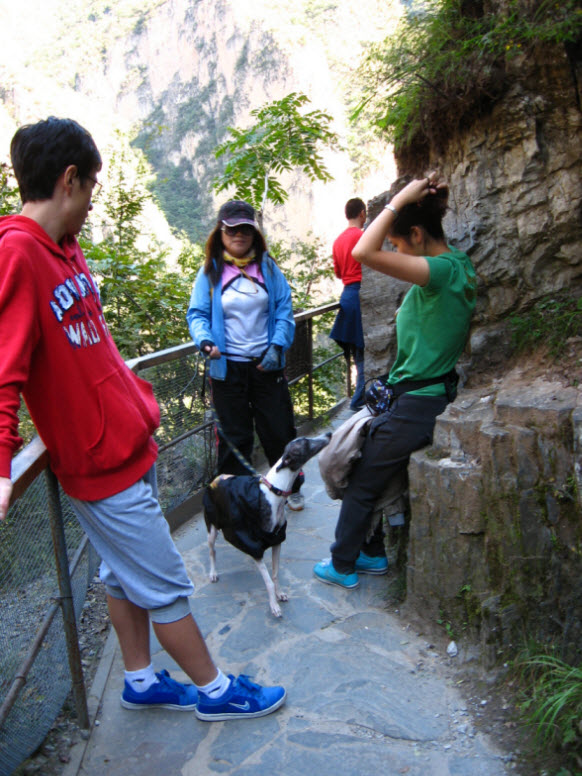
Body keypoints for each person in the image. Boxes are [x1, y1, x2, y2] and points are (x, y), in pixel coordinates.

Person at [0, 117, 285, 721]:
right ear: (70, 179)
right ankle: (216, 692)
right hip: (99, 463)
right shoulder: (17, 253)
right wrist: (2, 464)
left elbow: (92, 345)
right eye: (91, 185)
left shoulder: (65, 247)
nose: (93, 199)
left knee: (121, 573)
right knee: (165, 582)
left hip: (128, 443)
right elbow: (5, 367)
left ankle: (139, 678)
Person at [314, 175, 477, 588]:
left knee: (359, 477)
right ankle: (371, 553)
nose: (396, 253)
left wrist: (399, 199)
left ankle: (343, 564)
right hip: (417, 396)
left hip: (418, 402)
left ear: (417, 235)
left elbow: (362, 251)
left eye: (399, 244)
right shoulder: (457, 266)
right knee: (369, 466)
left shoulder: (441, 272)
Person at [186, 200, 305, 511]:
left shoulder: (268, 268)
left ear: (254, 233)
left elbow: (284, 310)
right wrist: (205, 341)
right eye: (232, 229)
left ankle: (291, 488)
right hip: (227, 369)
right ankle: (234, 499)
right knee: (234, 438)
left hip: (266, 365)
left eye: (245, 229)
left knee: (278, 430)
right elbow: (197, 314)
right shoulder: (210, 272)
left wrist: (277, 346)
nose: (238, 235)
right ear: (220, 232)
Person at [330, 197, 367, 411]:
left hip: (346, 296)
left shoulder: (338, 241)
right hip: (361, 294)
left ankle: (358, 395)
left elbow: (338, 273)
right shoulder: (362, 237)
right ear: (362, 213)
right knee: (363, 350)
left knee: (355, 351)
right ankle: (359, 400)